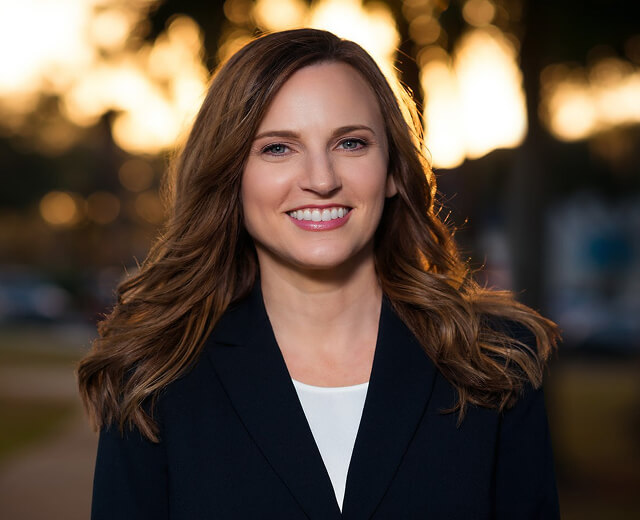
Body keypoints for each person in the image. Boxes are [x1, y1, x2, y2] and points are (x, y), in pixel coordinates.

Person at [77, 28, 561, 519]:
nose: (322, 180)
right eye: (278, 148)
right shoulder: (156, 375)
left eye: (350, 143)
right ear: (230, 177)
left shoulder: (495, 361)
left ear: (394, 170)